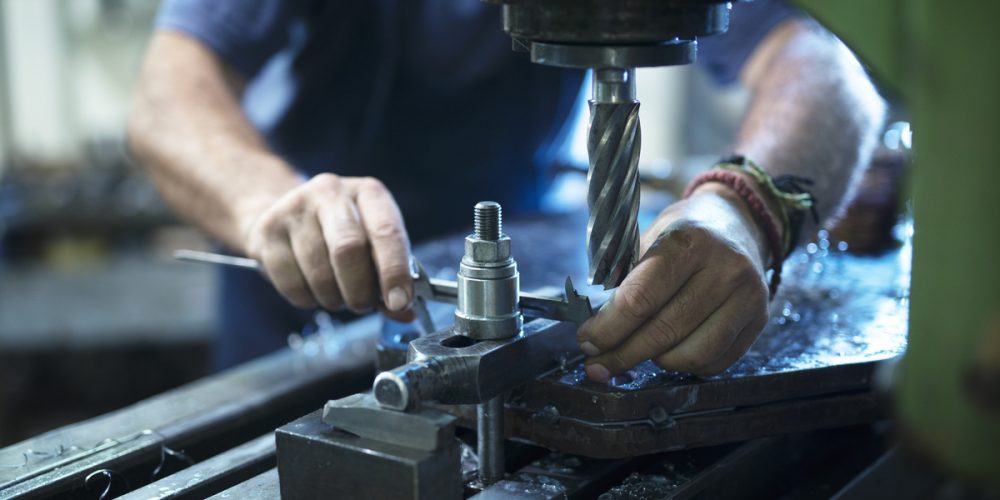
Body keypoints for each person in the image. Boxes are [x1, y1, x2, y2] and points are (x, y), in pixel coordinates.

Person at [129, 0, 885, 378]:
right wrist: (266, 205)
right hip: (309, 314)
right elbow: (168, 94)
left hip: (522, 285)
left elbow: (826, 68)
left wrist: (742, 208)